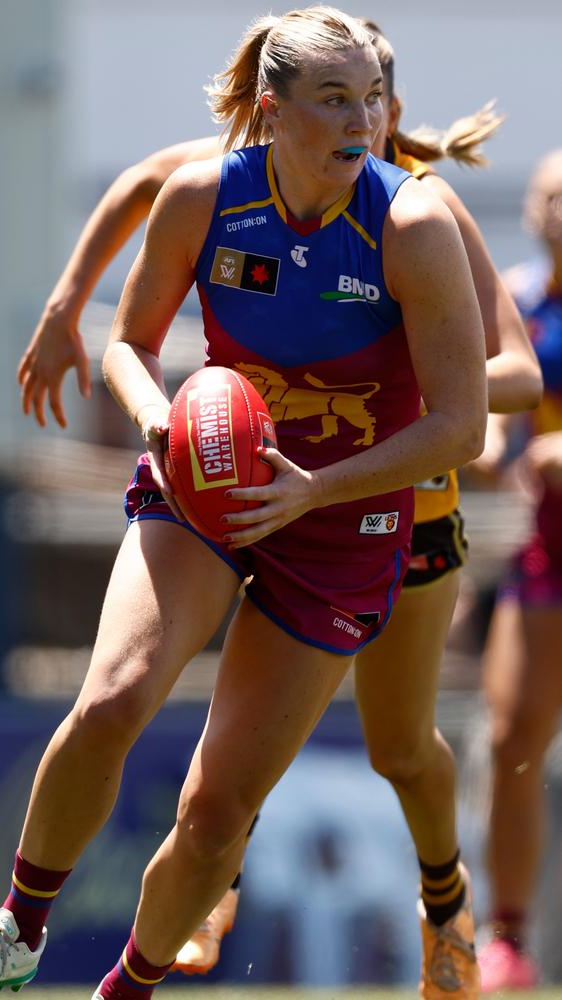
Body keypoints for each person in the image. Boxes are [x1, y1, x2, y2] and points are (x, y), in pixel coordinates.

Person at [0, 8, 490, 1000]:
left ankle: (125, 991)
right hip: (203, 491)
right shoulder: (206, 194)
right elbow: (132, 343)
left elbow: (459, 428)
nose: (361, 120)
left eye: (368, 98)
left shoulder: (413, 223)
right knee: (110, 699)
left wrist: (314, 485)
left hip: (339, 522)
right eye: (333, 99)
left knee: (216, 814)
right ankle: (11, 934)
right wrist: (154, 418)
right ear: (272, 110)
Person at [473, 149, 562, 993]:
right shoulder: (519, 302)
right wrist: (494, 452)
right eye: (548, 196)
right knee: (511, 744)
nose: (558, 208)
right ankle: (506, 939)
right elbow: (501, 430)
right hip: (548, 550)